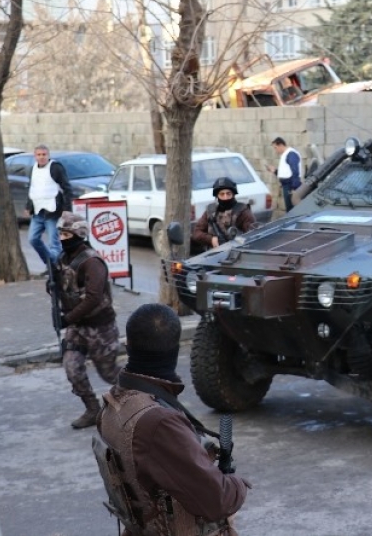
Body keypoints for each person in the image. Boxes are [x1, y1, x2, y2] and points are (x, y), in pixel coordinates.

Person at [95, 303, 250, 535]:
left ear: (129, 346)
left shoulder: (116, 402)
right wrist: (237, 485)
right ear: (175, 351)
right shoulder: (158, 422)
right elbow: (218, 501)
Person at [54, 212, 123, 429]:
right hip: (78, 327)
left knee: (109, 372)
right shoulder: (62, 259)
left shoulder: (92, 262)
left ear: (78, 234)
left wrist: (68, 318)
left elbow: (94, 298)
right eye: (61, 234)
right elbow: (65, 288)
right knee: (72, 368)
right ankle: (93, 409)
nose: (62, 238)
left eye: (66, 234)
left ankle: (141, 399)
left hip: (100, 327)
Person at [27, 145, 73, 267]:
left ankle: (55, 269)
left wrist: (67, 211)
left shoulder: (55, 168)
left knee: (54, 244)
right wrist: (28, 206)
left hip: (53, 212)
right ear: (35, 156)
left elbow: (67, 188)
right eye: (39, 155)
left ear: (48, 155)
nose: (42, 157)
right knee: (33, 239)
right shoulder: (33, 170)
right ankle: (52, 264)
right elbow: (33, 189)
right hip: (38, 211)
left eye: (44, 154)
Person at [191, 177, 256, 251]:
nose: (225, 197)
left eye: (228, 194)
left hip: (237, 253)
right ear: (217, 196)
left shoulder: (243, 211)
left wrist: (239, 241)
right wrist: (211, 239)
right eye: (222, 194)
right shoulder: (211, 211)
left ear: (233, 194)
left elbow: (253, 235)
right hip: (214, 254)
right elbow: (196, 233)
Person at [267, 137, 301, 213]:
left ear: (281, 145)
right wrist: (275, 171)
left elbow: (295, 171)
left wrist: (294, 188)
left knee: (291, 209)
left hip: (290, 185)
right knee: (289, 208)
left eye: (275, 148)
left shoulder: (291, 154)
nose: (275, 151)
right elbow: (285, 173)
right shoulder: (285, 155)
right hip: (286, 185)